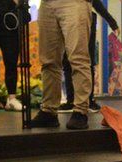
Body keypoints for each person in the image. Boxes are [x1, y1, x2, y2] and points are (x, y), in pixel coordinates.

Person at [31, 0, 93, 130]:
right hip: (47, 4)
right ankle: (49, 110)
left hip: (75, 3)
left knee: (78, 59)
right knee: (48, 61)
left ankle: (81, 110)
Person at [59, 0, 117, 114]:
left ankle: (89, 100)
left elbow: (96, 2)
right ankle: (71, 100)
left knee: (85, 60)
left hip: (84, 19)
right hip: (66, 18)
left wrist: (112, 22)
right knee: (67, 61)